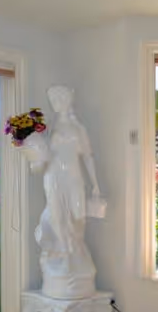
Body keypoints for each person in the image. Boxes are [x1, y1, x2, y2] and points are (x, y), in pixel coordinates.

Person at [27, 85, 104, 300]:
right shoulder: (48, 128)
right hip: (53, 177)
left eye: (61, 98)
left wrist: (96, 184)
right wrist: (34, 158)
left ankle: (75, 254)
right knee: (57, 216)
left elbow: (88, 156)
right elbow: (40, 156)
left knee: (78, 216)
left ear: (69, 99)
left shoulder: (79, 128)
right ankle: (65, 256)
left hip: (73, 177)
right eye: (54, 99)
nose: (57, 102)